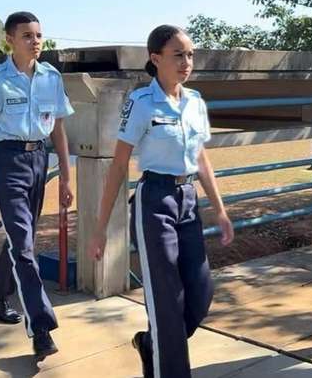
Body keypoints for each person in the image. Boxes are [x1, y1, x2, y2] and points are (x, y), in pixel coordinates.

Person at [88, 25, 235, 378]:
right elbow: (119, 165)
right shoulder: (141, 103)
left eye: (190, 55)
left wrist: (220, 210)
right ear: (155, 59)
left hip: (188, 200)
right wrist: (100, 228)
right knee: (167, 301)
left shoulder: (195, 101)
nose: (187, 62)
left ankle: (152, 344)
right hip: (154, 201)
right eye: (178, 55)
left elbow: (201, 158)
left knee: (200, 294)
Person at [0, 11, 74, 361]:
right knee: (24, 244)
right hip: (7, 161)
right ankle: (41, 328)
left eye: (39, 35)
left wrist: (66, 175)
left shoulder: (51, 77)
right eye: (28, 36)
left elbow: (58, 128)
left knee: (23, 239)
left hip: (39, 159)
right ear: (10, 40)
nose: (35, 41)